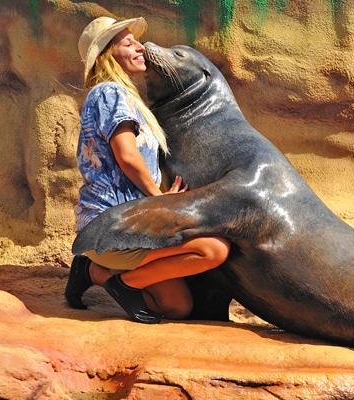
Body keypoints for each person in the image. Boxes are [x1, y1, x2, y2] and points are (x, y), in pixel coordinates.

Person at [65, 16, 230, 324]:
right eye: (128, 44)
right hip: (114, 226)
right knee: (212, 250)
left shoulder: (127, 98)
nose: (140, 47)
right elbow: (127, 156)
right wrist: (159, 200)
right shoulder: (109, 93)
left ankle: (92, 271)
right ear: (105, 57)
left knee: (176, 307)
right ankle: (124, 284)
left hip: (134, 224)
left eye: (136, 42)